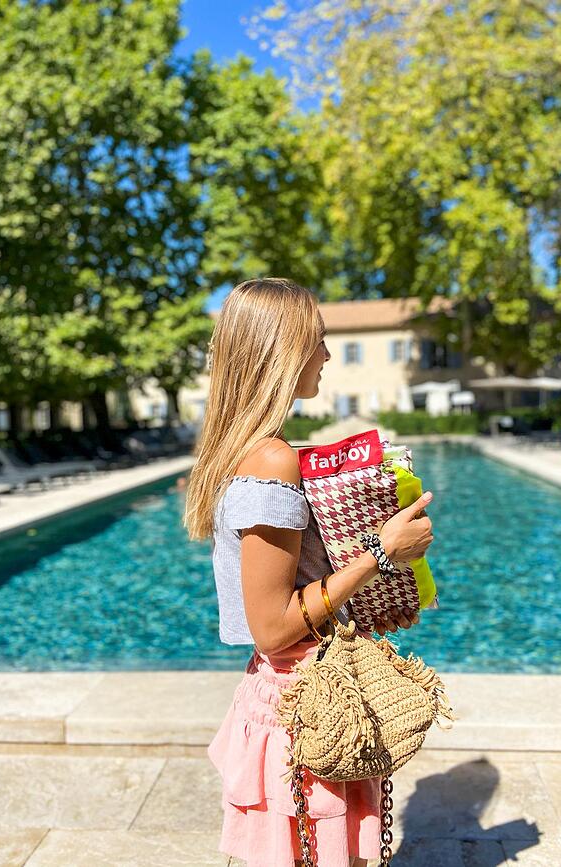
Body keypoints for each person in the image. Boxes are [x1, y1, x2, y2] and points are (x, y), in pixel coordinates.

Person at [183, 277, 435, 867]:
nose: (325, 352)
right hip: (309, 708)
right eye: (318, 339)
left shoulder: (247, 449)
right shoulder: (271, 458)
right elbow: (271, 626)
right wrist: (381, 549)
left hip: (290, 697)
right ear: (284, 350)